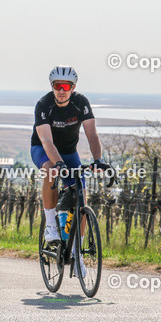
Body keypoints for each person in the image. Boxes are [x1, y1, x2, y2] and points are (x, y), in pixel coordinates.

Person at [31, 66, 110, 246]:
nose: (61, 91)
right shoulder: (44, 104)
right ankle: (50, 226)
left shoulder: (80, 102)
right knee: (50, 171)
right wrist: (58, 163)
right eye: (57, 86)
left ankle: (77, 249)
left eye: (66, 87)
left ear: (73, 87)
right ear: (52, 86)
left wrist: (98, 160)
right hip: (43, 149)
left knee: (81, 195)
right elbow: (46, 140)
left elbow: (92, 134)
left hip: (69, 152)